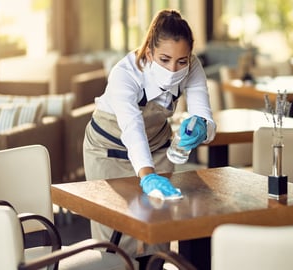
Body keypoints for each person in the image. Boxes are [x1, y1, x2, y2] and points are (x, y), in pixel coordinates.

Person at [82, 9, 216, 266]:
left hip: (157, 146)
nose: (174, 69)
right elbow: (132, 129)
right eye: (165, 59)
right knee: (117, 237)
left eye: (181, 61)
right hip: (107, 149)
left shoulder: (193, 66)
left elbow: (204, 114)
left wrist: (202, 128)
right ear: (149, 52)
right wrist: (147, 175)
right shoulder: (125, 74)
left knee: (158, 230)